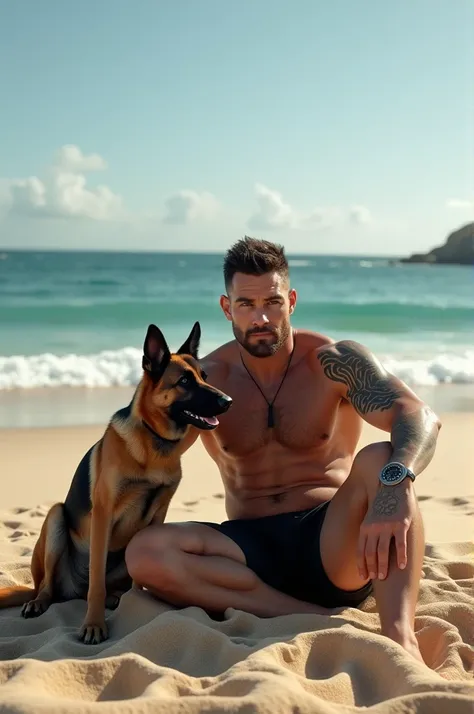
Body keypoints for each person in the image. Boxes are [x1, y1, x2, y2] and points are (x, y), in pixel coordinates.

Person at [125, 237, 441, 663]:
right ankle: (310, 616)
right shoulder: (206, 380)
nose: (261, 318)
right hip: (247, 551)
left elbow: (416, 415)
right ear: (226, 307)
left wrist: (397, 484)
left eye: (272, 302)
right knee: (146, 553)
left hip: (333, 541)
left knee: (383, 460)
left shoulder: (332, 361)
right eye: (246, 305)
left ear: (291, 300)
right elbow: (136, 457)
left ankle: (399, 634)